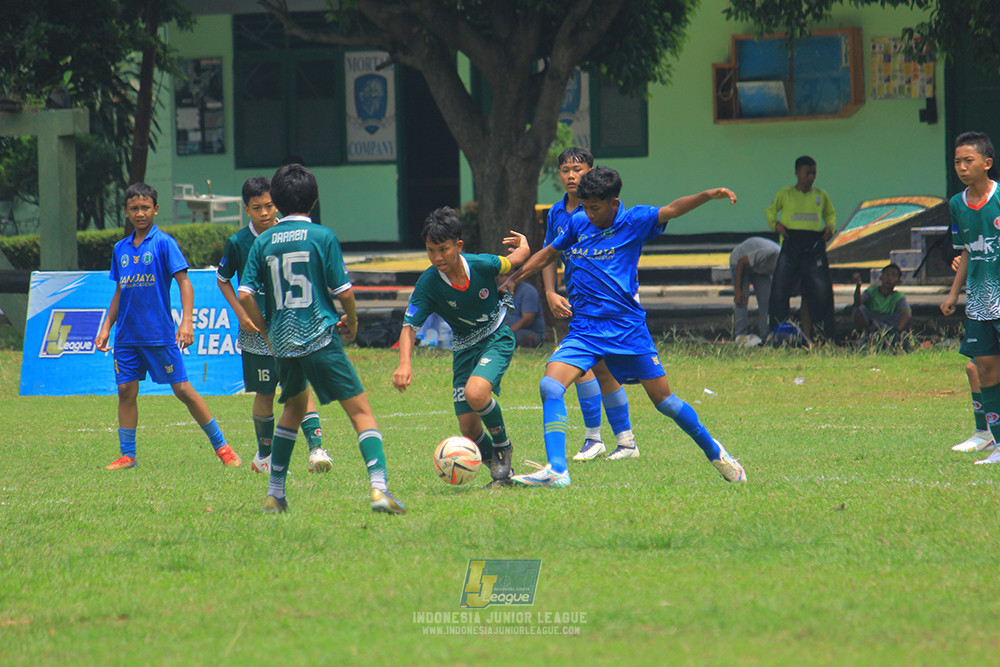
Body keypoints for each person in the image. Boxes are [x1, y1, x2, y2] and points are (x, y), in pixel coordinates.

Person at [503, 166, 747, 487]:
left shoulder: (635, 220)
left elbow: (672, 209)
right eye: (585, 207)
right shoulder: (578, 221)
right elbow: (549, 253)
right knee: (550, 385)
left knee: (665, 402)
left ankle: (716, 452)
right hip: (586, 329)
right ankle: (557, 470)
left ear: (614, 203)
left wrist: (709, 195)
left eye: (595, 208)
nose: (589, 214)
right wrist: (514, 278)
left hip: (627, 331)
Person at [238, 164, 405, 513]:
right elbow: (343, 292)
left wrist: (267, 331)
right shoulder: (322, 236)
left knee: (293, 410)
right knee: (360, 412)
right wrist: (353, 322)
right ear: (314, 200)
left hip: (283, 344)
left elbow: (244, 295)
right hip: (319, 336)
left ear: (277, 202)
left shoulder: (263, 241)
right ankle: (379, 489)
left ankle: (275, 493)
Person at [96, 183, 239, 470]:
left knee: (183, 390)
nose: (140, 213)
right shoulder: (120, 249)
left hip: (158, 335)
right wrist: (106, 326)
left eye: (145, 208)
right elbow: (120, 291)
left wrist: (187, 321)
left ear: (156, 209)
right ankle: (128, 455)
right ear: (126, 212)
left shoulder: (164, 243)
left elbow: (184, 282)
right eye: (134, 208)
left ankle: (223, 448)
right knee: (125, 390)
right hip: (126, 337)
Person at [392, 207, 530, 487]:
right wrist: (404, 363)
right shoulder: (428, 284)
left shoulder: (481, 264)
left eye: (443, 249)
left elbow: (515, 260)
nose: (437, 257)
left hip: (496, 336)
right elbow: (409, 327)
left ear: (458, 246)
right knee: (468, 428)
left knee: (476, 393)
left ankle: (503, 446)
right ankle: (502, 473)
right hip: (464, 349)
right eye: (431, 250)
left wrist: (525, 246)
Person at [216, 176, 331, 475]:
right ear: (246, 210)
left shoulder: (291, 234)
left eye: (269, 206)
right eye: (257, 208)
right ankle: (264, 457)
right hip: (256, 332)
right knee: (265, 393)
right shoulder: (238, 242)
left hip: (292, 326)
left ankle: (316, 450)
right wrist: (241, 312)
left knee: (300, 387)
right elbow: (223, 279)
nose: (265, 213)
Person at [543, 147, 639, 461]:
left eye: (578, 169)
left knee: (592, 366)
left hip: (610, 304)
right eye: (565, 170)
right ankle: (619, 441)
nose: (571, 176)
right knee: (594, 365)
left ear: (591, 173)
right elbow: (549, 254)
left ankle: (600, 438)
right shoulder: (557, 213)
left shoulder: (608, 210)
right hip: (579, 301)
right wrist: (550, 292)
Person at [941, 131, 1000, 465]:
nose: (962, 168)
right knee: (982, 369)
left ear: (987, 163)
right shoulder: (956, 205)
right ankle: (993, 440)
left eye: (968, 161)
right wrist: (953, 293)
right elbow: (965, 250)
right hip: (979, 302)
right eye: (957, 162)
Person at [766, 155, 837, 341]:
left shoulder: (821, 195)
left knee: (820, 293)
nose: (811, 177)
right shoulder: (785, 194)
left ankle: (820, 337)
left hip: (813, 245)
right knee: (780, 290)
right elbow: (770, 211)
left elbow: (830, 214)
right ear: (797, 173)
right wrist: (776, 225)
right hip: (792, 242)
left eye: (814, 173)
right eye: (807, 173)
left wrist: (829, 227)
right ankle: (779, 335)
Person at [729, 236, 781, 344]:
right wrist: (738, 290)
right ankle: (740, 335)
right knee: (742, 299)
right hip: (740, 261)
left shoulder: (783, 265)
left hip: (759, 267)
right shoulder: (771, 253)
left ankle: (766, 335)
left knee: (767, 300)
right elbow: (741, 262)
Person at [851, 264, 911, 334]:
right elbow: (858, 302)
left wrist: (897, 331)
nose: (889, 278)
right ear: (881, 278)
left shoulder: (898, 296)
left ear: (899, 281)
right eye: (887, 275)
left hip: (889, 323)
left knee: (903, 314)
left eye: (893, 276)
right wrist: (858, 286)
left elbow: (907, 315)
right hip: (872, 320)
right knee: (858, 309)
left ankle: (893, 334)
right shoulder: (871, 291)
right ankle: (863, 333)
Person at [509, 281, 546, 347]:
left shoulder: (528, 291)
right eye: (501, 276)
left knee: (517, 336)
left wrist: (507, 333)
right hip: (507, 330)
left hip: (528, 331)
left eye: (508, 276)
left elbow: (527, 320)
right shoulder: (498, 290)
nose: (506, 279)